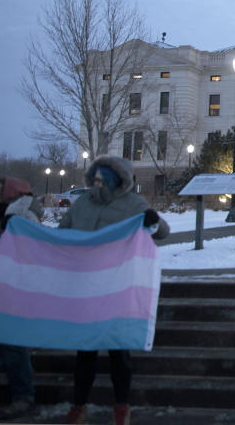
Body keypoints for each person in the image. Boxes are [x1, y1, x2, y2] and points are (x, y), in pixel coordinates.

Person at [58, 155, 169, 425]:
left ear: (114, 180)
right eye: (94, 179)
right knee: (85, 353)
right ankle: (79, 405)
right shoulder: (83, 203)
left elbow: (162, 231)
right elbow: (62, 233)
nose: (97, 184)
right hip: (85, 287)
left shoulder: (133, 204)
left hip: (118, 288)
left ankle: (122, 406)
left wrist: (152, 221)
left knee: (119, 353)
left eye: (101, 180)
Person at [0, 177, 41, 419]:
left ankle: (24, 397)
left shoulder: (21, 220)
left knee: (13, 348)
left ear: (7, 198)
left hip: (13, 295)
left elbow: (35, 250)